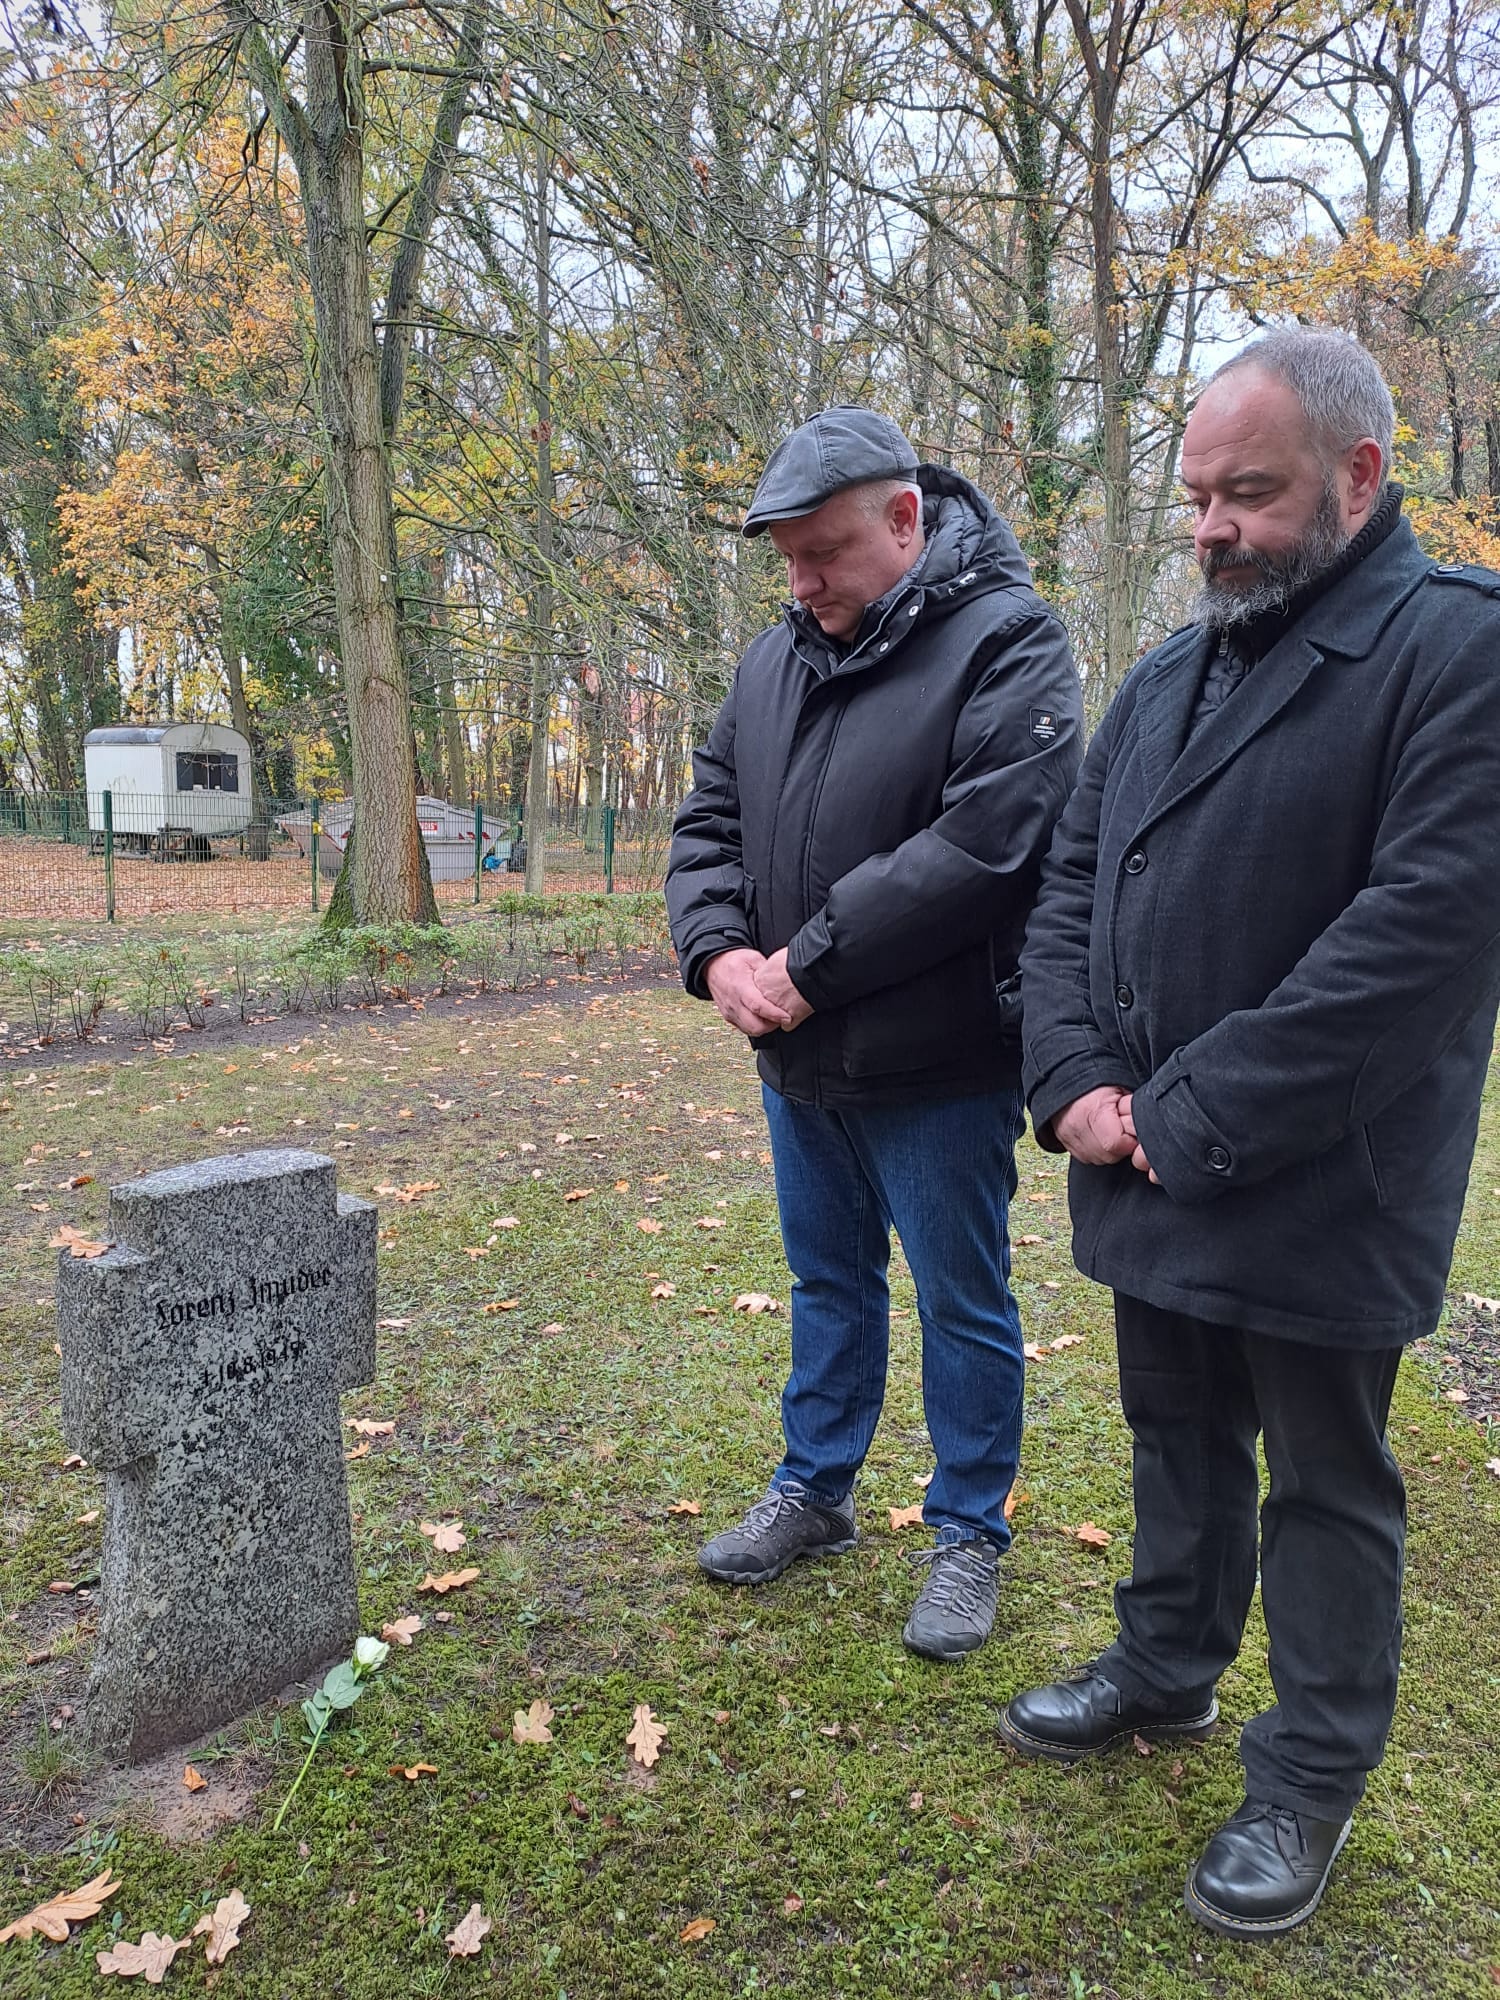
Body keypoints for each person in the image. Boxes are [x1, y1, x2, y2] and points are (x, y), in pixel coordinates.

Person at [1005, 329, 1500, 1936]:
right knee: (1174, 1430)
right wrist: (1072, 1078)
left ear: (1360, 478)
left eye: (1251, 495)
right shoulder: (1171, 671)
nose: (1212, 526)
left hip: (1323, 1176)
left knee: (1326, 1480)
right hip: (1145, 1147)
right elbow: (1070, 884)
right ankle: (1167, 1667)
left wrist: (1184, 1114)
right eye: (1198, 498)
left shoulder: (1460, 653)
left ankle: (1308, 1776)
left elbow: (1419, 939)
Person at [665, 406, 1081, 1659]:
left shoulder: (1011, 643)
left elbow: (982, 846)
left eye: (825, 553)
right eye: (786, 559)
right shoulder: (772, 658)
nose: (803, 584)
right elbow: (710, 820)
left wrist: (809, 962)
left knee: (963, 1296)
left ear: (906, 520)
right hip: (797, 1057)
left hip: (939, 1060)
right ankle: (817, 1487)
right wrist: (718, 952)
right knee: (826, 1278)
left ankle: (968, 1531)